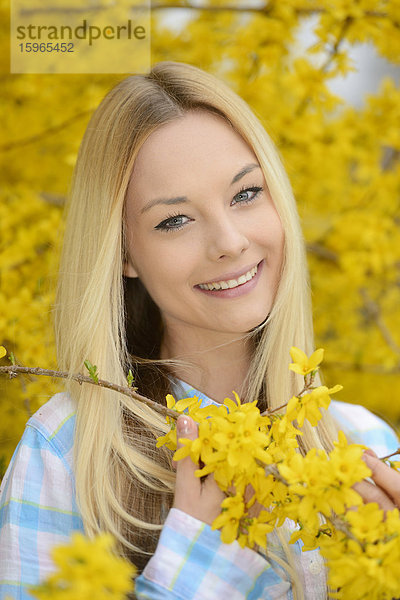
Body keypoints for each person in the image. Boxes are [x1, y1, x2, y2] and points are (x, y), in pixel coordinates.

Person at [0, 60, 399, 600]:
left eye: (245, 194)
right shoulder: (69, 453)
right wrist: (199, 566)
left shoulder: (367, 444)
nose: (229, 242)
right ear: (123, 253)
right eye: (174, 221)